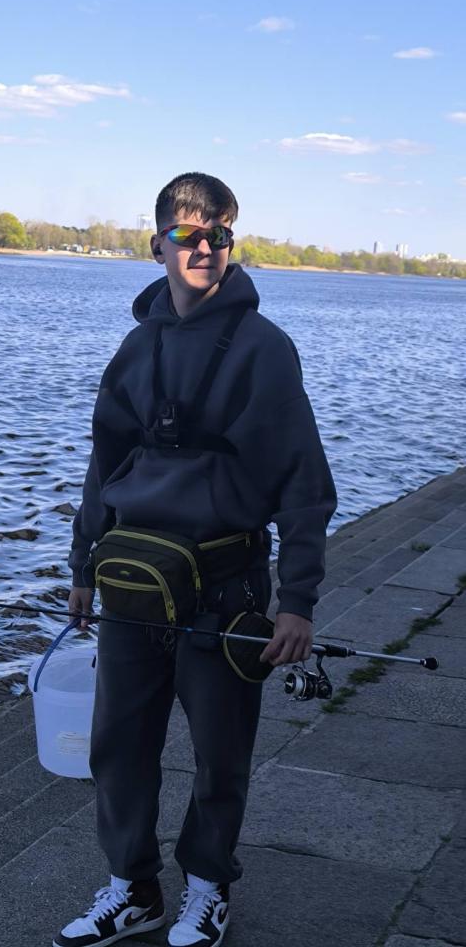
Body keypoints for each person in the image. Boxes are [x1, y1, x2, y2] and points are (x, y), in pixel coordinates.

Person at [53, 172, 337, 947]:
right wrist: (82, 567)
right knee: (118, 747)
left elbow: (305, 486)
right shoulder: (135, 347)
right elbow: (104, 465)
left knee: (220, 754)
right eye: (187, 235)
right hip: (131, 585)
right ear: (158, 246)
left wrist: (297, 601)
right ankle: (133, 888)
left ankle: (208, 887)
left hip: (224, 589)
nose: (204, 247)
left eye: (219, 235)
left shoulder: (266, 350)